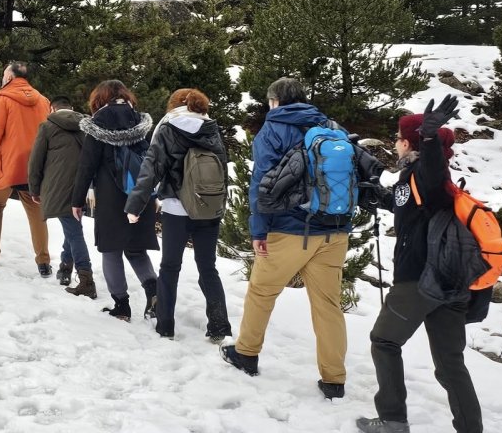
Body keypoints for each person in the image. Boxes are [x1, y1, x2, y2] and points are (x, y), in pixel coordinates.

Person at [356, 96, 482, 433]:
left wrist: (428, 140)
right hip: (451, 283)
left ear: (408, 143)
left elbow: (432, 170)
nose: (394, 142)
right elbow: (411, 208)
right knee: (450, 365)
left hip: (419, 281)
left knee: (384, 341)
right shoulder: (413, 179)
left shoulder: (428, 172)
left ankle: (393, 420)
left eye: (398, 137)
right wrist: (376, 196)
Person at [223, 77, 350, 400]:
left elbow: (261, 183)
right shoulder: (331, 125)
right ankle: (334, 378)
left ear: (275, 101)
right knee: (328, 306)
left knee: (261, 292)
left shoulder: (273, 129)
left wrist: (258, 230)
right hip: (334, 230)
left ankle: (247, 353)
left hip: (290, 230)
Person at [125, 88, 231, 341]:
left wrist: (134, 206)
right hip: (208, 209)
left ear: (173, 106)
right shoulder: (211, 128)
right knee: (208, 268)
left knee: (170, 267)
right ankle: (218, 326)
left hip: (176, 208)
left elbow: (151, 169)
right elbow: (222, 170)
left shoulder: (167, 128)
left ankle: (165, 325)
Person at [71, 80, 158, 321]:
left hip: (110, 198)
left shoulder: (99, 122)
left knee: (111, 251)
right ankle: (155, 294)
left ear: (99, 98)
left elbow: (86, 165)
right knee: (136, 249)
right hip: (140, 197)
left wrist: (77, 200)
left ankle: (121, 306)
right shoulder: (140, 121)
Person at [0, 61, 52, 276]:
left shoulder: (2, 98)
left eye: (3, 75)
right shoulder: (43, 100)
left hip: (8, 164)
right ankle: (43, 261)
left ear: (9, 78)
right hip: (35, 165)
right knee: (37, 211)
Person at [28, 95, 94, 297]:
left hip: (57, 186)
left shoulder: (47, 126)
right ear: (72, 108)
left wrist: (34, 189)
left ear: (52, 109)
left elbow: (36, 161)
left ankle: (86, 279)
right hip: (84, 186)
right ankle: (65, 268)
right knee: (72, 226)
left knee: (73, 231)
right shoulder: (87, 125)